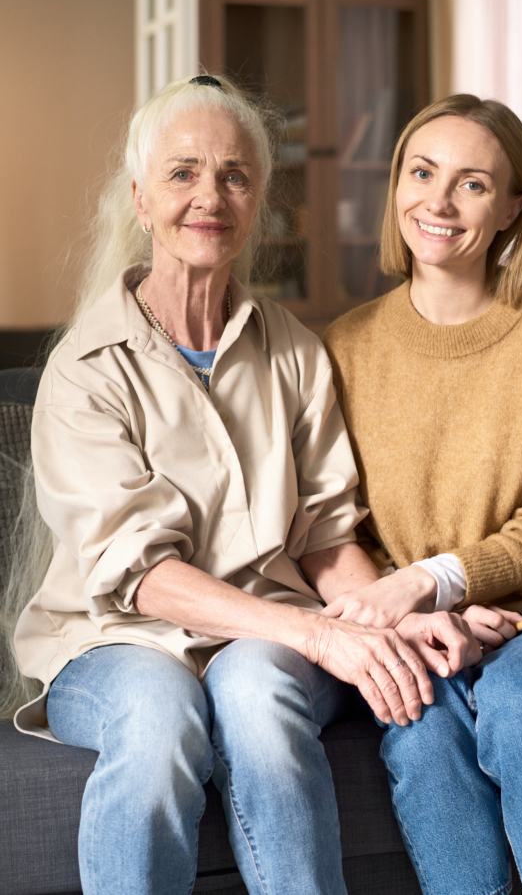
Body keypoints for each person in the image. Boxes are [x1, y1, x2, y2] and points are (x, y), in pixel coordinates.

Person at [11, 76, 484, 895]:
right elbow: (143, 576)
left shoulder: (295, 352)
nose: (210, 196)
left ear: (258, 201)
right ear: (140, 196)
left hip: (270, 642)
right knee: (159, 717)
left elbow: (327, 540)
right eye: (183, 172)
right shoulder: (84, 372)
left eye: (234, 176)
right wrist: (317, 635)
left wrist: (400, 617)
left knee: (258, 688)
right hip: (118, 638)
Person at [323, 94, 522, 895]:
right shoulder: (343, 346)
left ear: (511, 208)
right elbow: (335, 527)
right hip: (424, 628)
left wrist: (433, 578)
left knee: (517, 699)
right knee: (419, 728)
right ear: (396, 183)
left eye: (471, 184)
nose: (436, 202)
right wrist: (427, 612)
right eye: (422, 172)